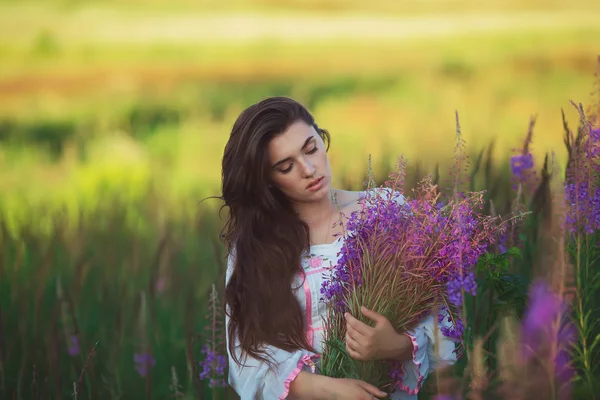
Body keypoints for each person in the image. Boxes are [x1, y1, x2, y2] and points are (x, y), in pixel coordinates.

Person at [220, 96, 457, 399]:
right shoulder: (254, 247)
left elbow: (447, 322)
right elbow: (248, 364)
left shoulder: (386, 212)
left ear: (322, 138)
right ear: (267, 181)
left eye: (311, 148)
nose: (308, 169)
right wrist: (331, 390)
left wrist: (394, 345)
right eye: (286, 166)